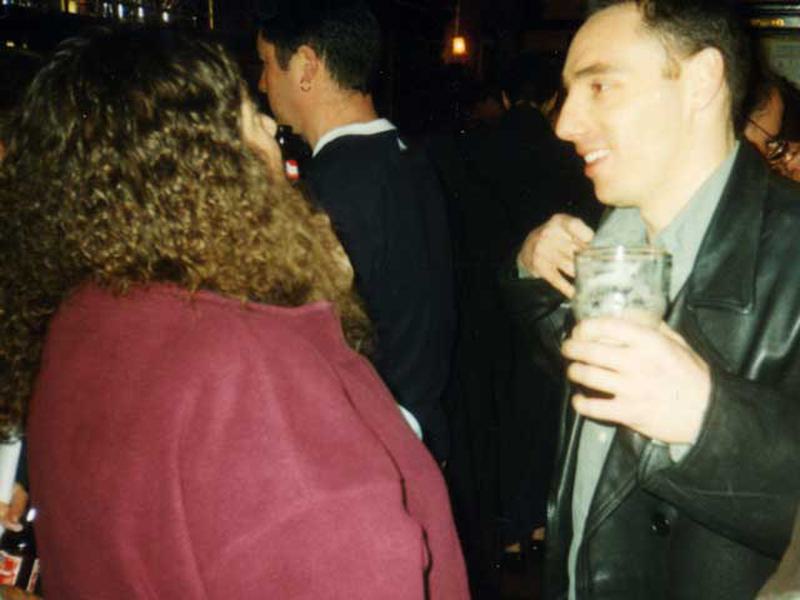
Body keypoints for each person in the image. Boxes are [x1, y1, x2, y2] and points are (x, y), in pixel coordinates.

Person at [0, 28, 469, 598]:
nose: (269, 125)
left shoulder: (81, 319)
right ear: (204, 162)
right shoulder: (247, 366)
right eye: (246, 113)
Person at [501, 1, 800, 598]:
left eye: (600, 86)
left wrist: (708, 420)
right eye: (569, 92)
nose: (564, 124)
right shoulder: (615, 239)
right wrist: (533, 273)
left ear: (701, 80)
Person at [255, 0, 456, 462]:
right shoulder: (408, 157)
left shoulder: (332, 187)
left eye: (265, 64)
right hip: (423, 431)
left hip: (374, 447)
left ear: (306, 66)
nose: (262, 83)